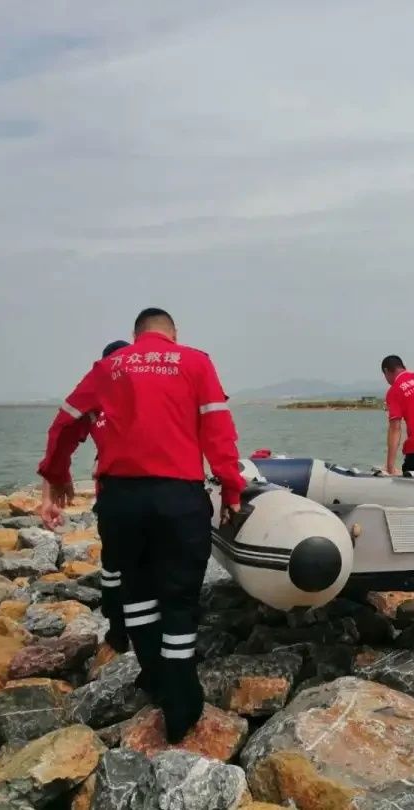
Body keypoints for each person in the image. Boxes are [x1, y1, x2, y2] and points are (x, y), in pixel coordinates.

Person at [37, 308, 245, 742]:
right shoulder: (195, 361)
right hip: (178, 497)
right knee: (179, 599)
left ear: (135, 337)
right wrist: (231, 486)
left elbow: (66, 421)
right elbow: (218, 429)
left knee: (137, 590)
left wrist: (55, 474)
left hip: (121, 498)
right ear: (173, 334)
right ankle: (182, 698)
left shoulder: (109, 367)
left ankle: (155, 676)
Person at [38, 338, 130, 653]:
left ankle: (120, 631)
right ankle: (135, 631)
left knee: (117, 564)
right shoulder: (130, 391)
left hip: (116, 493)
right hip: (144, 491)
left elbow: (61, 438)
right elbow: (62, 440)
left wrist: (49, 493)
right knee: (132, 564)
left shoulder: (98, 392)